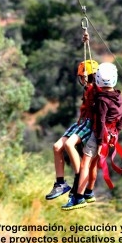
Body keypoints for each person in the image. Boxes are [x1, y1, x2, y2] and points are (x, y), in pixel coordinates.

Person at [61, 62, 122, 210]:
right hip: (110, 136)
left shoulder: (102, 100)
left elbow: (101, 120)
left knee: (84, 165)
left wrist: (99, 139)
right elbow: (121, 119)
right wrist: (115, 133)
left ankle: (78, 197)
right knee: (93, 166)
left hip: (99, 136)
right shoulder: (118, 97)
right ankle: (89, 192)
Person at [45, 59, 99, 202]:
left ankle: (78, 179)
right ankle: (61, 183)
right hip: (81, 123)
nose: (81, 80)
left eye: (82, 77)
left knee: (69, 145)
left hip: (89, 124)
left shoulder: (97, 89)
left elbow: (99, 92)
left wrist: (91, 80)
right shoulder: (88, 88)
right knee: (57, 147)